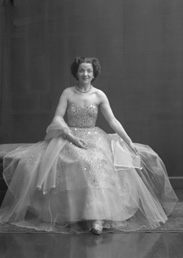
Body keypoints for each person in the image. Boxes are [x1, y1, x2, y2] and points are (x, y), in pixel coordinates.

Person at [0, 57, 178, 234]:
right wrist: (70, 136)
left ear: (94, 74)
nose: (85, 74)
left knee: (97, 161)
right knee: (80, 161)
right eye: (81, 70)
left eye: (89, 71)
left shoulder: (99, 95)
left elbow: (112, 120)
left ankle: (97, 218)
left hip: (94, 137)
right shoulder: (68, 93)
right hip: (69, 136)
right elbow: (57, 118)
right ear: (76, 73)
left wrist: (128, 140)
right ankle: (75, 213)